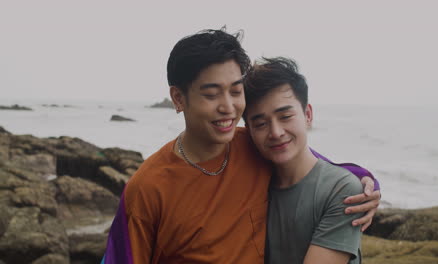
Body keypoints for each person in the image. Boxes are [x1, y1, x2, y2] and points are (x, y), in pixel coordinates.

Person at [101, 29, 380, 264]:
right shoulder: (148, 188)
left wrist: (363, 179)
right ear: (178, 98)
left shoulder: (253, 145)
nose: (228, 107)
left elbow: (310, 165)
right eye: (211, 94)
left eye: (236, 91)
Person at [244, 57, 368, 264]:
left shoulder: (342, 190)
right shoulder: (250, 185)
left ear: (307, 115)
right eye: (260, 124)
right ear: (248, 130)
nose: (275, 132)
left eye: (285, 117)